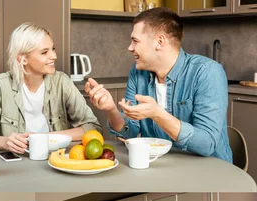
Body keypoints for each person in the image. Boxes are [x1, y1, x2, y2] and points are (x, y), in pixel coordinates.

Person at [85, 8, 232, 163]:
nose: (130, 48)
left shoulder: (207, 72)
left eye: (135, 41)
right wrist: (111, 110)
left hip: (208, 172)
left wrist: (157, 114)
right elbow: (130, 133)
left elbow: (206, 144)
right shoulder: (138, 74)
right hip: (159, 166)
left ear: (159, 42)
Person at [0, 22, 101, 154]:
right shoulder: (1, 86)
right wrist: (5, 142)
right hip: (17, 163)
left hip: (54, 159)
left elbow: (93, 128)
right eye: (44, 52)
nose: (54, 56)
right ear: (23, 58)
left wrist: (46, 137)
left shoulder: (62, 82)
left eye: (53, 49)